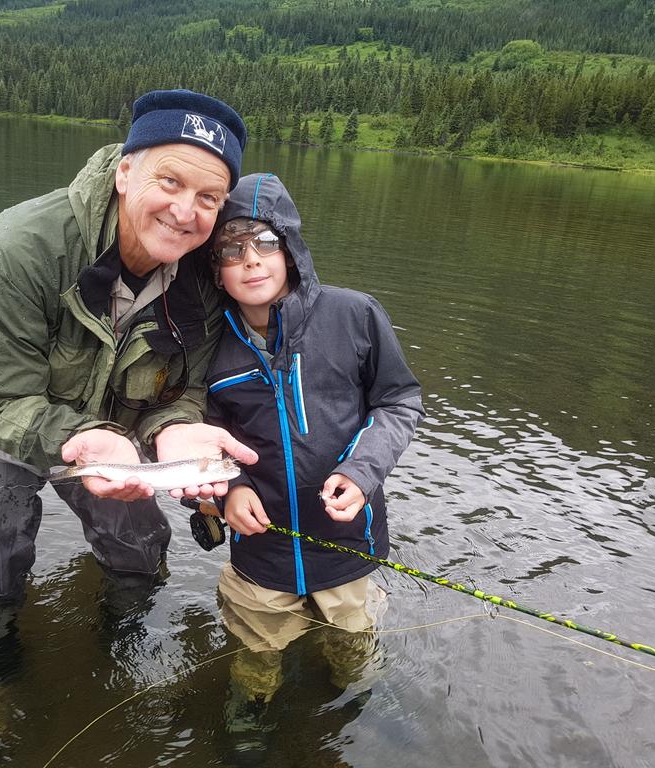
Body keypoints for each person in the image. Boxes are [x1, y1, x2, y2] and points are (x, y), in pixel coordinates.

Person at [0, 89, 259, 602]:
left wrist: (176, 428)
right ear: (124, 173)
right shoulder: (19, 248)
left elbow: (187, 388)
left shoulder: (207, 278)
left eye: (208, 198)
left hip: (113, 430)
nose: (184, 211)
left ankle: (123, 631)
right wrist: (81, 438)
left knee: (141, 546)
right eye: (170, 181)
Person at [201, 172, 425, 734]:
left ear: (291, 249)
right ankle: (250, 710)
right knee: (257, 647)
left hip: (347, 541)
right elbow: (200, 434)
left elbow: (399, 401)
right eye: (231, 249)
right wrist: (230, 490)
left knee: (354, 638)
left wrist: (361, 469)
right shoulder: (207, 346)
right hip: (262, 552)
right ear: (216, 269)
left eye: (266, 243)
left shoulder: (354, 314)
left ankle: (362, 694)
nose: (251, 260)